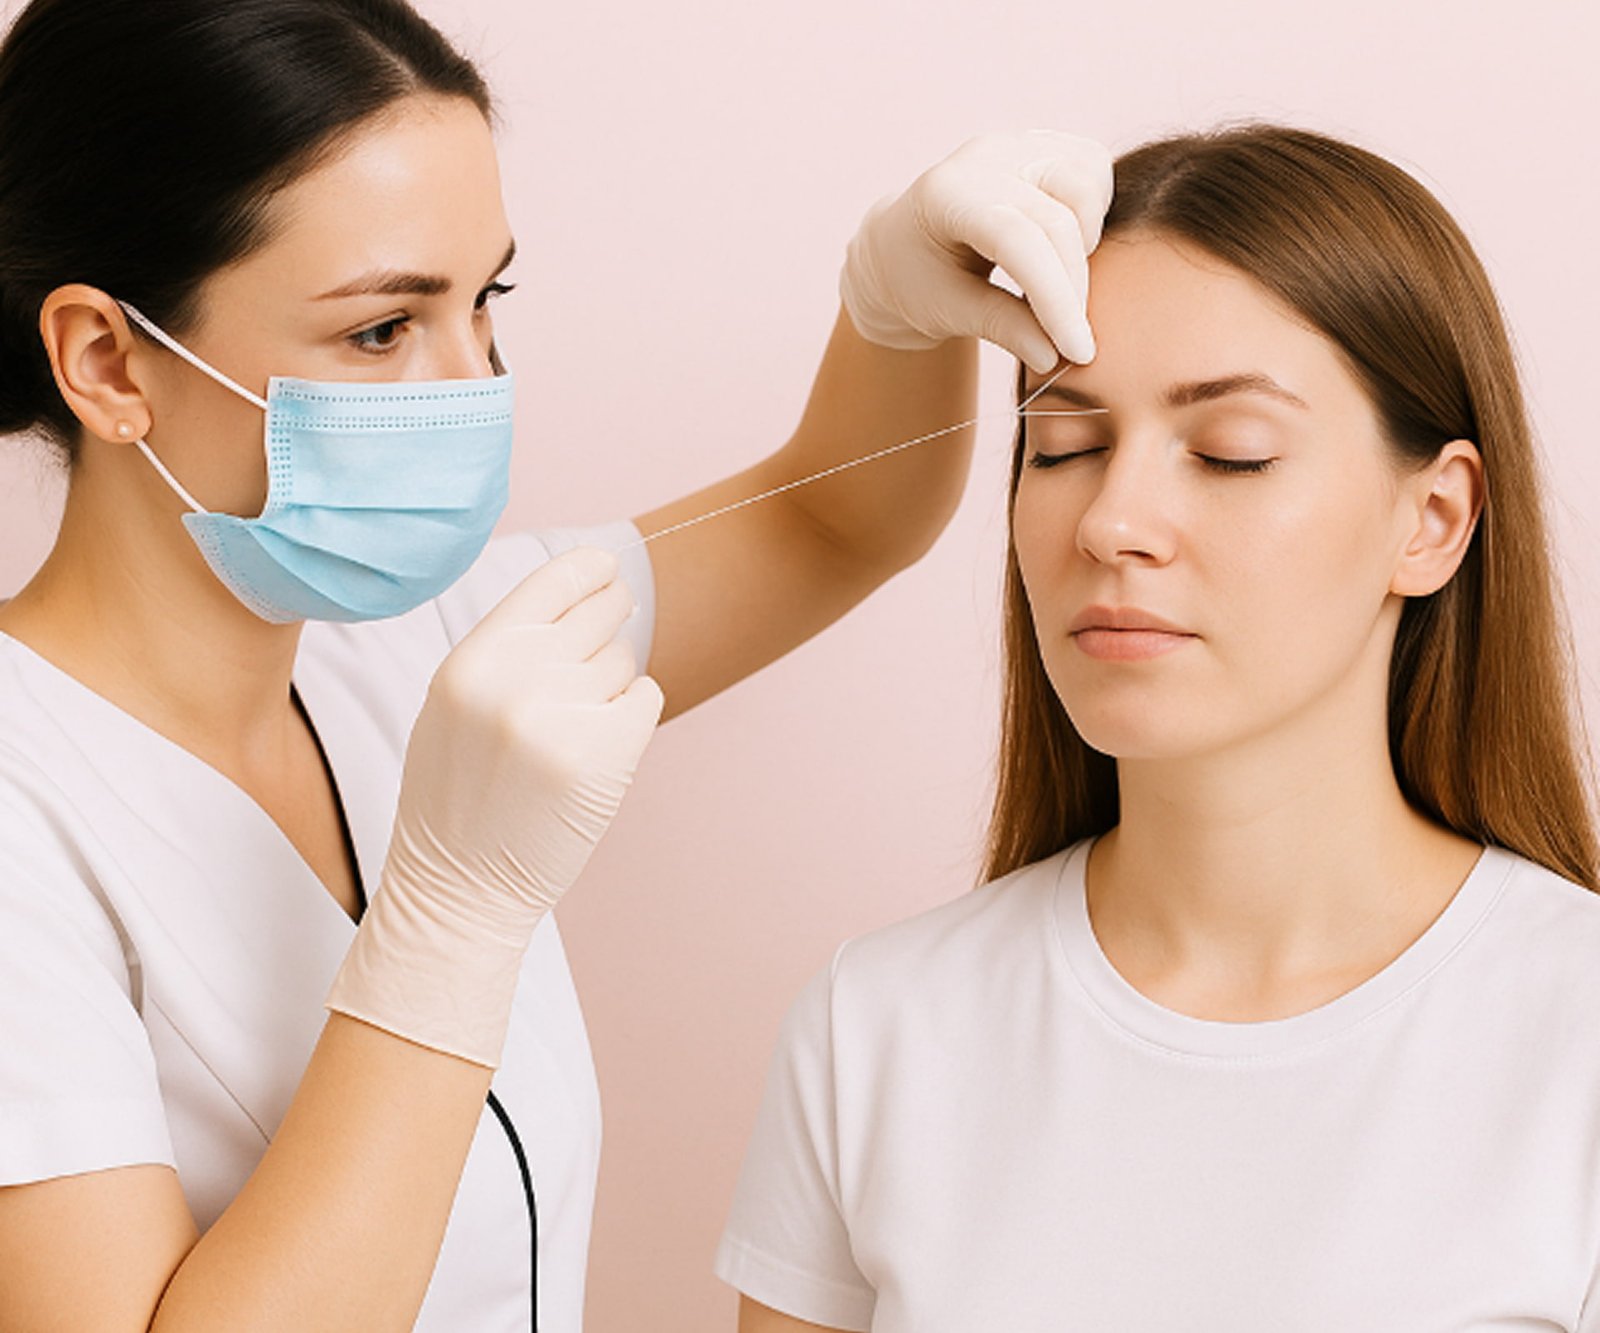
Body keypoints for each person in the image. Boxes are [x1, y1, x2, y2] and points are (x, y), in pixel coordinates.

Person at [0, 1, 1115, 1329]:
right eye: (379, 330)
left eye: (486, 302)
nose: (472, 383)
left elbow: (834, 518)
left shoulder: (439, 633)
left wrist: (898, 305)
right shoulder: (27, 811)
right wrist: (446, 926)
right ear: (108, 359)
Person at [716, 123, 1600, 1333]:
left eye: (1229, 454)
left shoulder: (1570, 1031)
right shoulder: (880, 1027)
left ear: (1433, 520)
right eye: (1064, 446)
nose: (1112, 521)